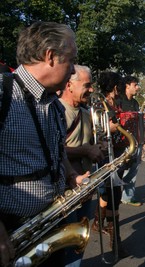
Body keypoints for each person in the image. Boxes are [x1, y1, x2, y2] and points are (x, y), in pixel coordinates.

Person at [0, 21, 88, 267]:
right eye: (70, 60)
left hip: (49, 226)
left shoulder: (55, 105)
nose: (72, 71)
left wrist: (70, 174)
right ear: (50, 56)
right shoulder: (3, 93)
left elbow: (57, 150)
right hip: (13, 232)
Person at [59, 65, 105, 267]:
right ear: (69, 85)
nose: (92, 89)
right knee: (65, 243)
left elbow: (90, 145)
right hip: (66, 189)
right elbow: (54, 150)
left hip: (85, 187)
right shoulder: (58, 111)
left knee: (79, 240)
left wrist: (99, 147)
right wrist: (86, 150)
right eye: (87, 85)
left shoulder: (86, 113)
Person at [91, 71, 129, 258]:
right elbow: (95, 131)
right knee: (111, 194)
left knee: (114, 194)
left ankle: (104, 226)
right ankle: (115, 242)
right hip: (106, 155)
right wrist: (110, 127)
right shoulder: (99, 104)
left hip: (118, 153)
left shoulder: (116, 104)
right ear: (114, 87)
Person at [118, 75, 143, 206]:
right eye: (135, 85)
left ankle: (127, 196)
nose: (137, 87)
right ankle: (115, 193)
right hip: (122, 141)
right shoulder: (119, 101)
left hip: (134, 140)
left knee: (133, 168)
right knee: (120, 169)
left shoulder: (135, 103)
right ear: (127, 86)